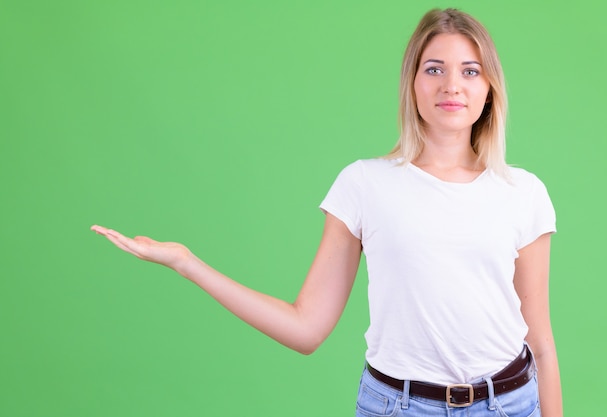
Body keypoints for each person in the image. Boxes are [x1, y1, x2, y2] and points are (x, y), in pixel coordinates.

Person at [91, 7, 563, 416]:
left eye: (470, 71)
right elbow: (306, 327)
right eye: (434, 69)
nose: (452, 86)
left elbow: (540, 342)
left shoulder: (522, 192)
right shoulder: (364, 184)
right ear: (412, 84)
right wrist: (188, 263)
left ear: (489, 90)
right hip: (397, 407)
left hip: (509, 404)